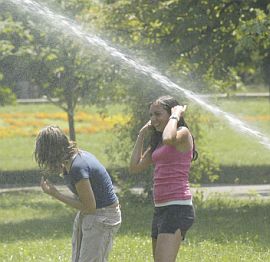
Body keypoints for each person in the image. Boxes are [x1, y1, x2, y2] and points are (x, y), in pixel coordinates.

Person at [34, 125, 121, 262]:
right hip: (92, 214)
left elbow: (89, 206)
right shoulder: (73, 161)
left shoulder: (78, 167)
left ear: (51, 151)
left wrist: (56, 194)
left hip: (102, 216)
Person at [129, 95, 197, 262]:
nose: (153, 119)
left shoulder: (183, 134)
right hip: (160, 208)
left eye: (158, 114)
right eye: (151, 115)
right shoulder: (158, 143)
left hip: (177, 207)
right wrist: (141, 134)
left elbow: (169, 138)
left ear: (171, 114)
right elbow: (134, 167)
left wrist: (176, 115)